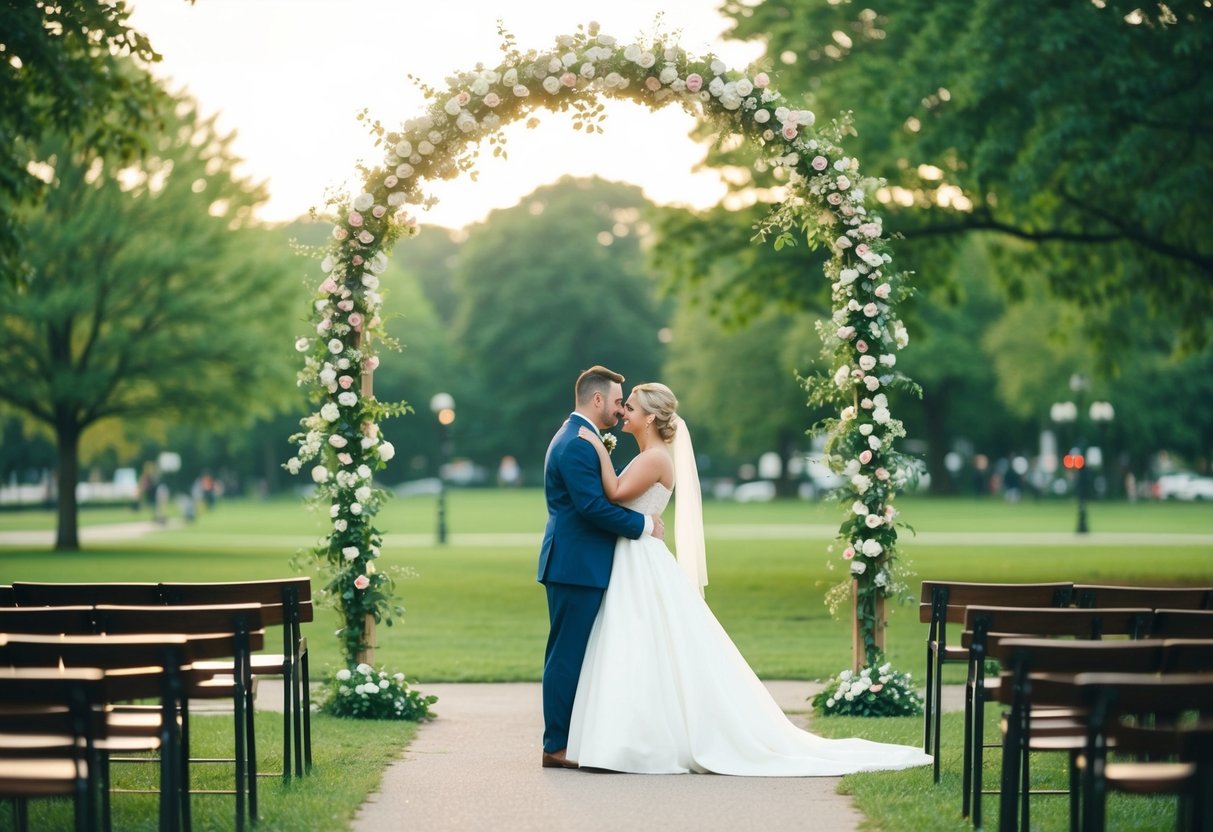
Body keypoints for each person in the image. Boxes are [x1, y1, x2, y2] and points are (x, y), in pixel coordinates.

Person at [566, 382, 933, 776]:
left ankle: (639, 742)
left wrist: (596, 448)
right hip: (635, 556)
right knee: (639, 644)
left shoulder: (654, 458)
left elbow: (614, 493)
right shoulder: (648, 456)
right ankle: (632, 736)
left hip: (640, 560)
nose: (624, 413)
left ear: (650, 417)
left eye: (632, 407)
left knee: (642, 640)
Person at [537, 365, 666, 770]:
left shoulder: (583, 437)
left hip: (582, 563)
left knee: (582, 654)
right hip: (575, 564)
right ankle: (556, 746)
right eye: (615, 402)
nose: (619, 410)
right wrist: (645, 525)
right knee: (567, 655)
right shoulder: (577, 443)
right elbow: (592, 507)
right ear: (597, 400)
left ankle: (575, 739)